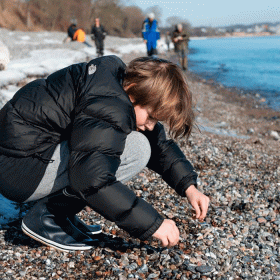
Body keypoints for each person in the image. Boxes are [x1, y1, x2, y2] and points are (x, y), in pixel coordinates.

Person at [0, 55, 209, 252]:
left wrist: (189, 187)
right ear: (135, 89)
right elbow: (91, 178)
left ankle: (60, 212)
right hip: (19, 171)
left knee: (138, 142)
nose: (150, 125)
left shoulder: (112, 84)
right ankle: (48, 216)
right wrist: (153, 224)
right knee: (137, 149)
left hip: (21, 159)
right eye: (151, 117)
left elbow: (159, 143)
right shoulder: (109, 104)